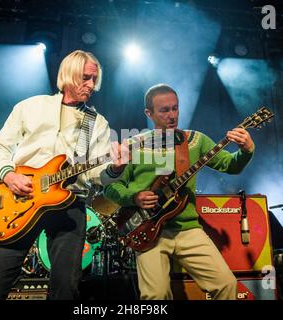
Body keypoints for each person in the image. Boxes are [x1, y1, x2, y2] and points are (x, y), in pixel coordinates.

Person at [0, 50, 128, 300]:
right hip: (20, 197)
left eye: (94, 80)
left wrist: (115, 169)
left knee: (66, 286)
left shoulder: (96, 122)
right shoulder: (30, 107)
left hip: (69, 204)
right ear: (68, 74)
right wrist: (9, 175)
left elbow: (95, 174)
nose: (91, 86)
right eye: (86, 78)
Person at [104, 83, 255, 300]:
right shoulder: (132, 145)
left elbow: (230, 165)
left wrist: (247, 150)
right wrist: (134, 197)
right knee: (155, 296)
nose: (172, 115)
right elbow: (111, 187)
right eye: (165, 110)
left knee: (227, 285)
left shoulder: (195, 140)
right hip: (146, 230)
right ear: (149, 113)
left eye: (175, 108)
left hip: (187, 229)